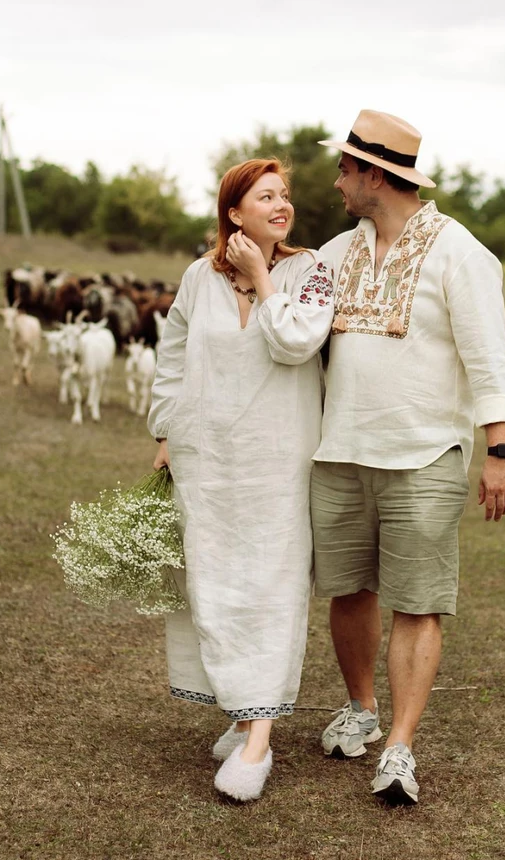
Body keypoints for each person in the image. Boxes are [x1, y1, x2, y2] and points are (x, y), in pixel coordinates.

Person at [311, 109, 505, 806]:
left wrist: (500, 449)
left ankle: (399, 747)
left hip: (425, 453)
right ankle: (361, 709)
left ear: (374, 175)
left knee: (418, 601)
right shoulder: (333, 255)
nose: (337, 181)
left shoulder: (461, 253)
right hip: (340, 451)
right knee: (348, 590)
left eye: (344, 169)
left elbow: (488, 358)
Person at [147, 159, 334, 803]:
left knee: (272, 583)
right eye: (266, 196)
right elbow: (173, 356)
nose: (283, 206)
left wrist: (262, 276)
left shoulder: (310, 272)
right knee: (214, 580)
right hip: (207, 458)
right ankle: (243, 710)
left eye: (286, 195)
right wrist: (165, 431)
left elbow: (296, 343)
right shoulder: (198, 277)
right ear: (234, 212)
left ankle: (259, 739)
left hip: (278, 459)